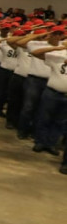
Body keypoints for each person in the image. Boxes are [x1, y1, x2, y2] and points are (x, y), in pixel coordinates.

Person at [28, 30, 67, 158]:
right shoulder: (59, 54)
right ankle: (40, 141)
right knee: (44, 117)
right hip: (52, 92)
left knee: (59, 122)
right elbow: (35, 53)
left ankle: (51, 143)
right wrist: (59, 47)